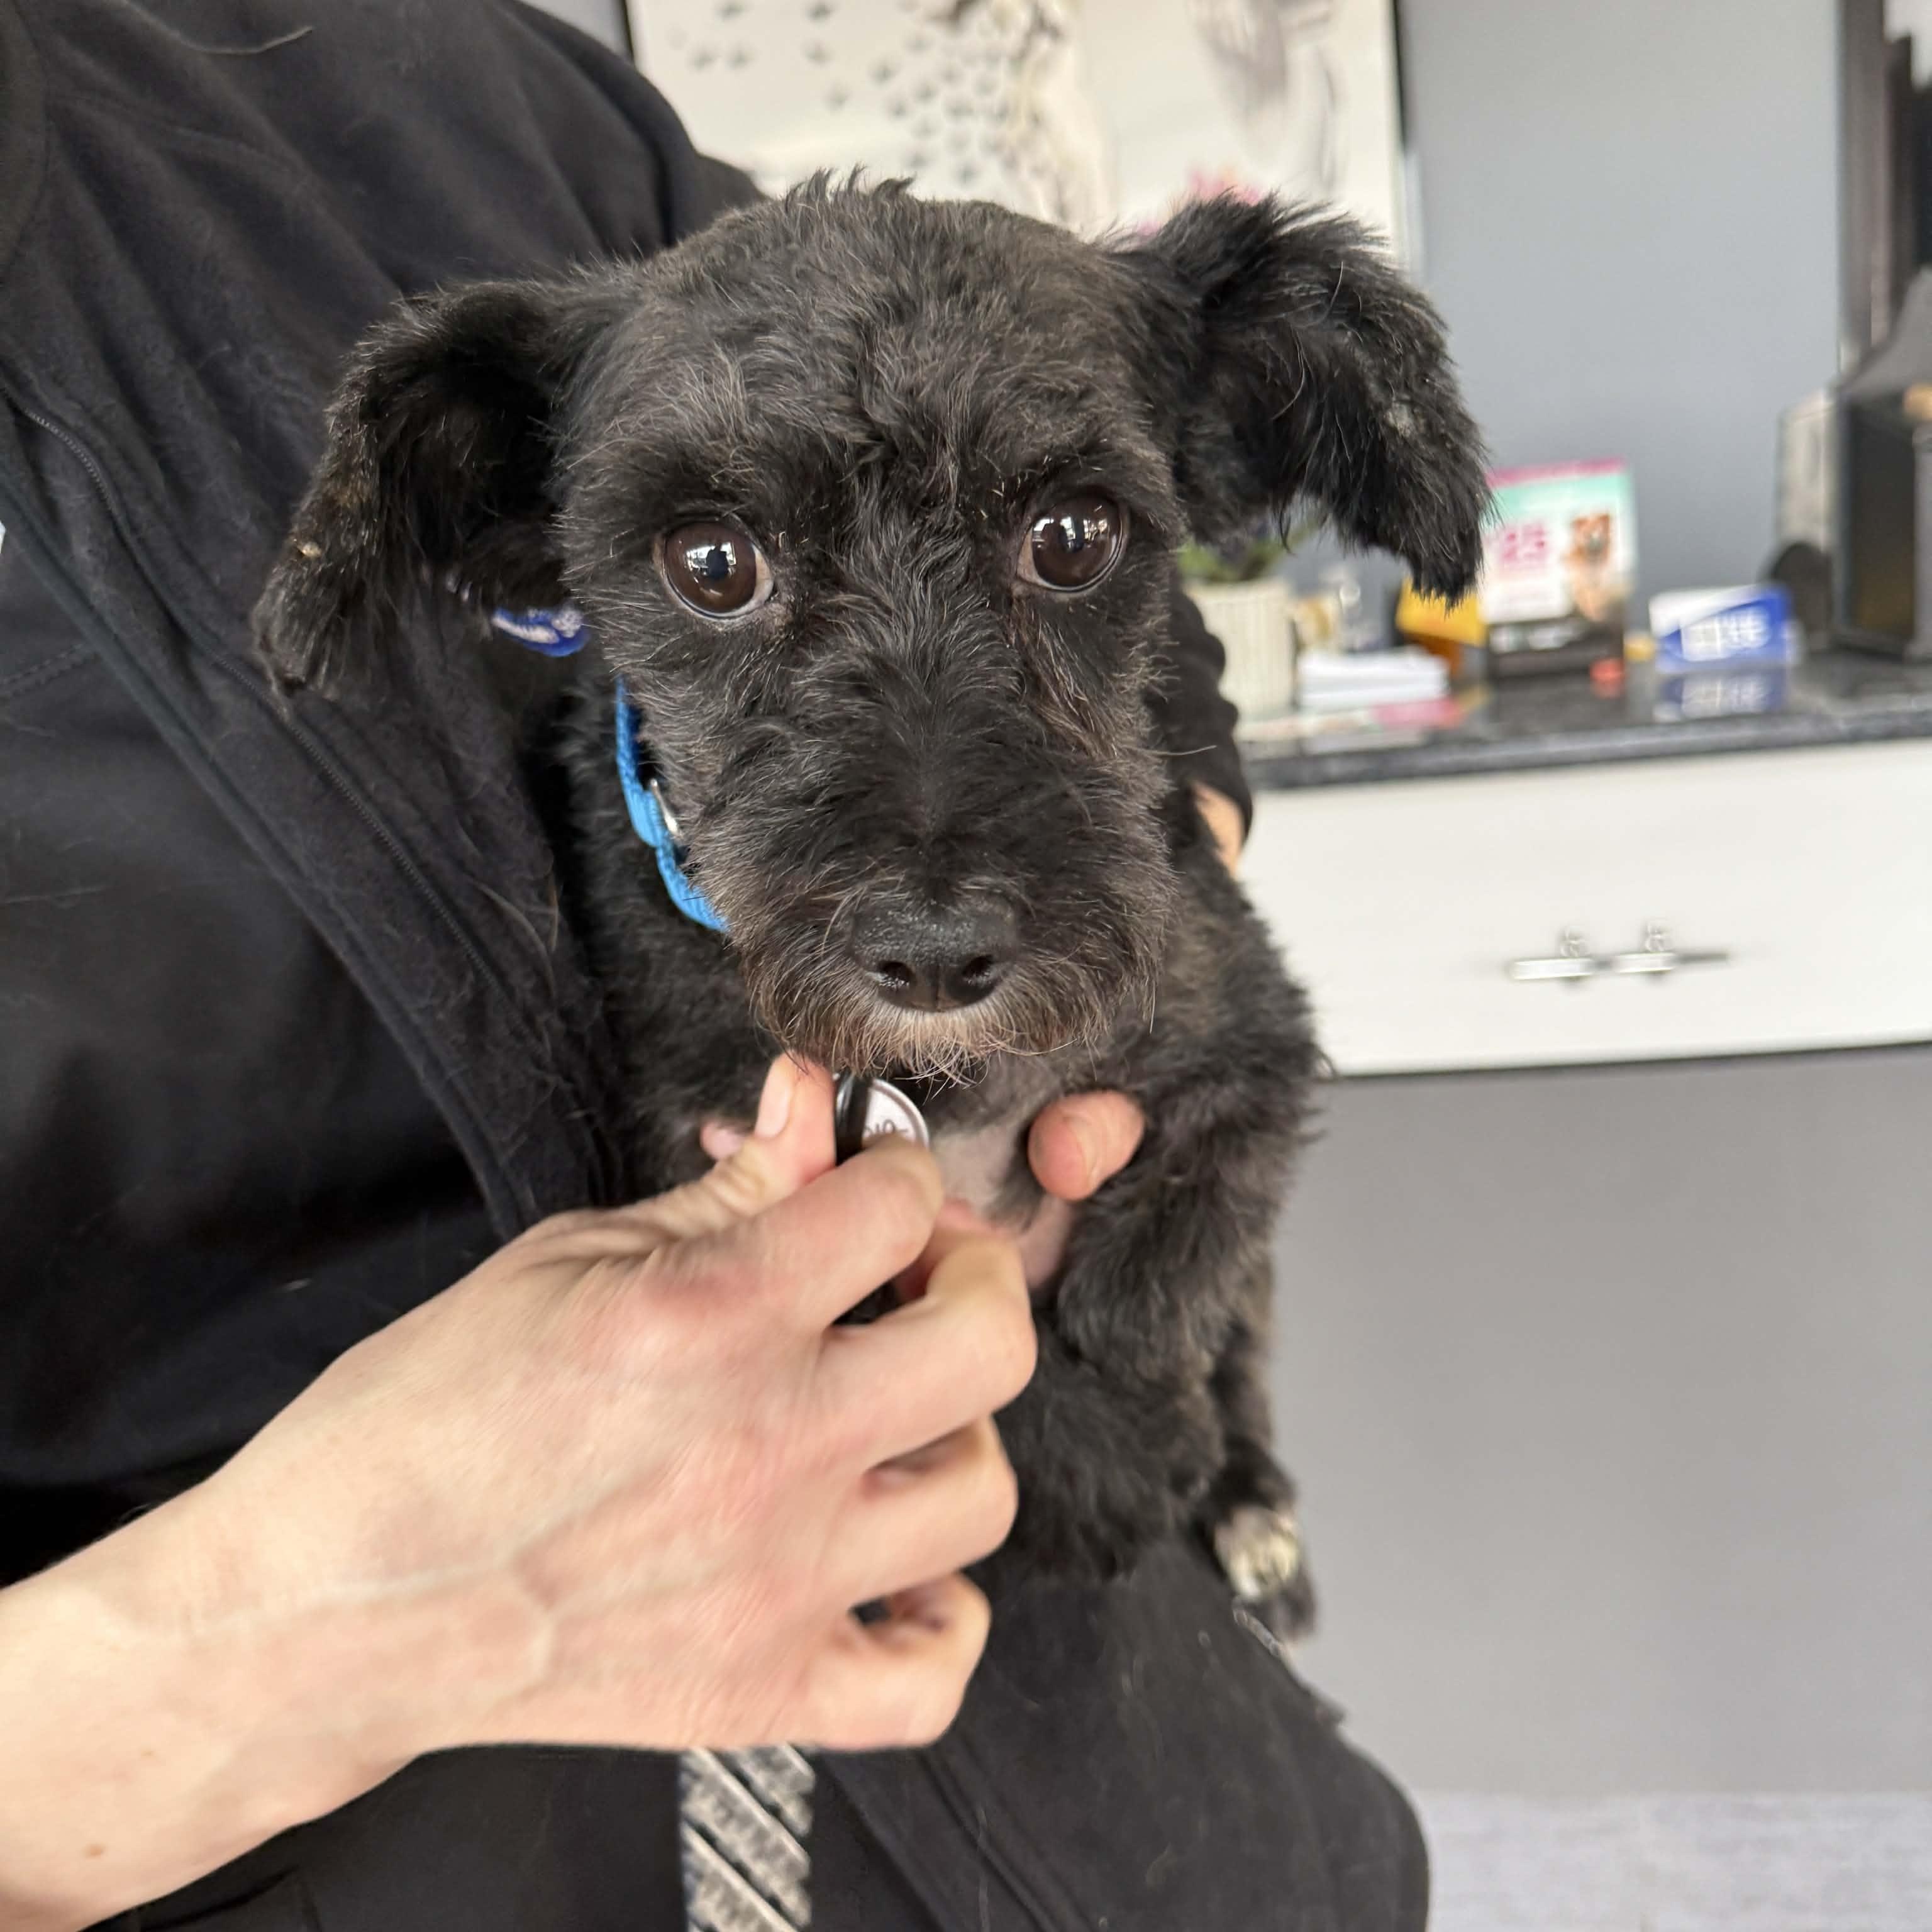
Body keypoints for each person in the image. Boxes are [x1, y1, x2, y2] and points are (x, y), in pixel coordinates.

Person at [0, 3, 1425, 1928]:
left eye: (1070, 534)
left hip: (1113, 1771)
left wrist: (1141, 1013)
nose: (931, 887)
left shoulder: (424, 74)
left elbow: (1114, 561)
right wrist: (272, 1647)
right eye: (716, 572)